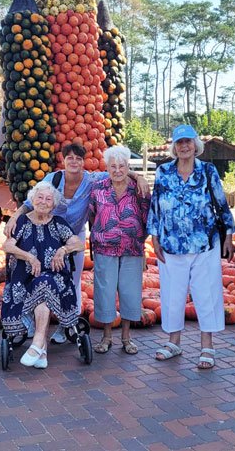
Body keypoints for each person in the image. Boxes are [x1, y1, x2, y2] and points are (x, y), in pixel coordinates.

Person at [4, 142, 149, 344]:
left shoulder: (92, 180)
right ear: (63, 160)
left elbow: (118, 171)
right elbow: (31, 202)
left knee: (72, 280)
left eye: (78, 158)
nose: (74, 161)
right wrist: (14, 218)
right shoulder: (53, 179)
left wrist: (138, 175)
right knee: (30, 274)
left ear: (83, 162)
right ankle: (28, 322)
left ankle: (66, 326)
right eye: (69, 157)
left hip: (74, 235)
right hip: (47, 233)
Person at [147, 124, 235, 369]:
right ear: (174, 147)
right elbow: (155, 205)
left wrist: (228, 235)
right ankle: (173, 342)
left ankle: (207, 345)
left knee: (206, 294)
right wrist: (153, 236)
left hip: (204, 243)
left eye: (188, 142)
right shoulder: (163, 171)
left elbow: (221, 203)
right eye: (179, 142)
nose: (184, 146)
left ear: (195, 145)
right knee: (172, 295)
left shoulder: (208, 171)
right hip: (171, 244)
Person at [1, 181, 85, 368]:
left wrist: (63, 250)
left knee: (45, 283)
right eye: (40, 197)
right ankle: (41, 348)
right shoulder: (22, 222)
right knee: (42, 288)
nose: (44, 202)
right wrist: (29, 257)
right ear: (32, 199)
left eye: (49, 199)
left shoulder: (58, 223)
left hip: (54, 277)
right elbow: (7, 246)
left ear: (54, 205)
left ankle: (38, 343)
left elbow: (78, 244)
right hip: (24, 278)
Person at [88, 145, 150, 355]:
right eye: (113, 166)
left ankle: (126, 337)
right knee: (104, 292)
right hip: (104, 248)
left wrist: (139, 240)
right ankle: (106, 337)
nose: (117, 170)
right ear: (107, 167)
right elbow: (91, 216)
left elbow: (147, 216)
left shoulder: (138, 188)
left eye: (122, 166)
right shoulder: (98, 188)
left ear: (127, 167)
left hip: (132, 248)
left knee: (129, 292)